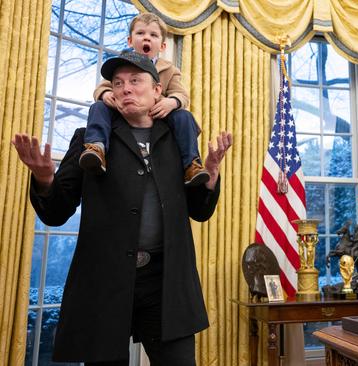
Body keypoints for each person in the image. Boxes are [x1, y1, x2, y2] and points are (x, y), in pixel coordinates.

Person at [12, 51, 232, 365]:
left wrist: (211, 171)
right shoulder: (90, 140)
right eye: (117, 83)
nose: (125, 88)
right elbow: (56, 212)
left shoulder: (178, 139)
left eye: (135, 80)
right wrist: (44, 178)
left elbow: (200, 210)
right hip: (105, 284)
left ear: (158, 90)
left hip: (166, 284)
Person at [81, 12, 208, 186]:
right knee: (98, 108)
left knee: (184, 116)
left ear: (162, 46)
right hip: (125, 111)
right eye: (140, 33)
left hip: (158, 113)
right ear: (130, 41)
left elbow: (182, 95)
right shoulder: (120, 65)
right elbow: (101, 88)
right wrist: (105, 94)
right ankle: (96, 148)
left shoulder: (169, 69)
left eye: (153, 35)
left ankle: (191, 164)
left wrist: (171, 102)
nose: (146, 38)